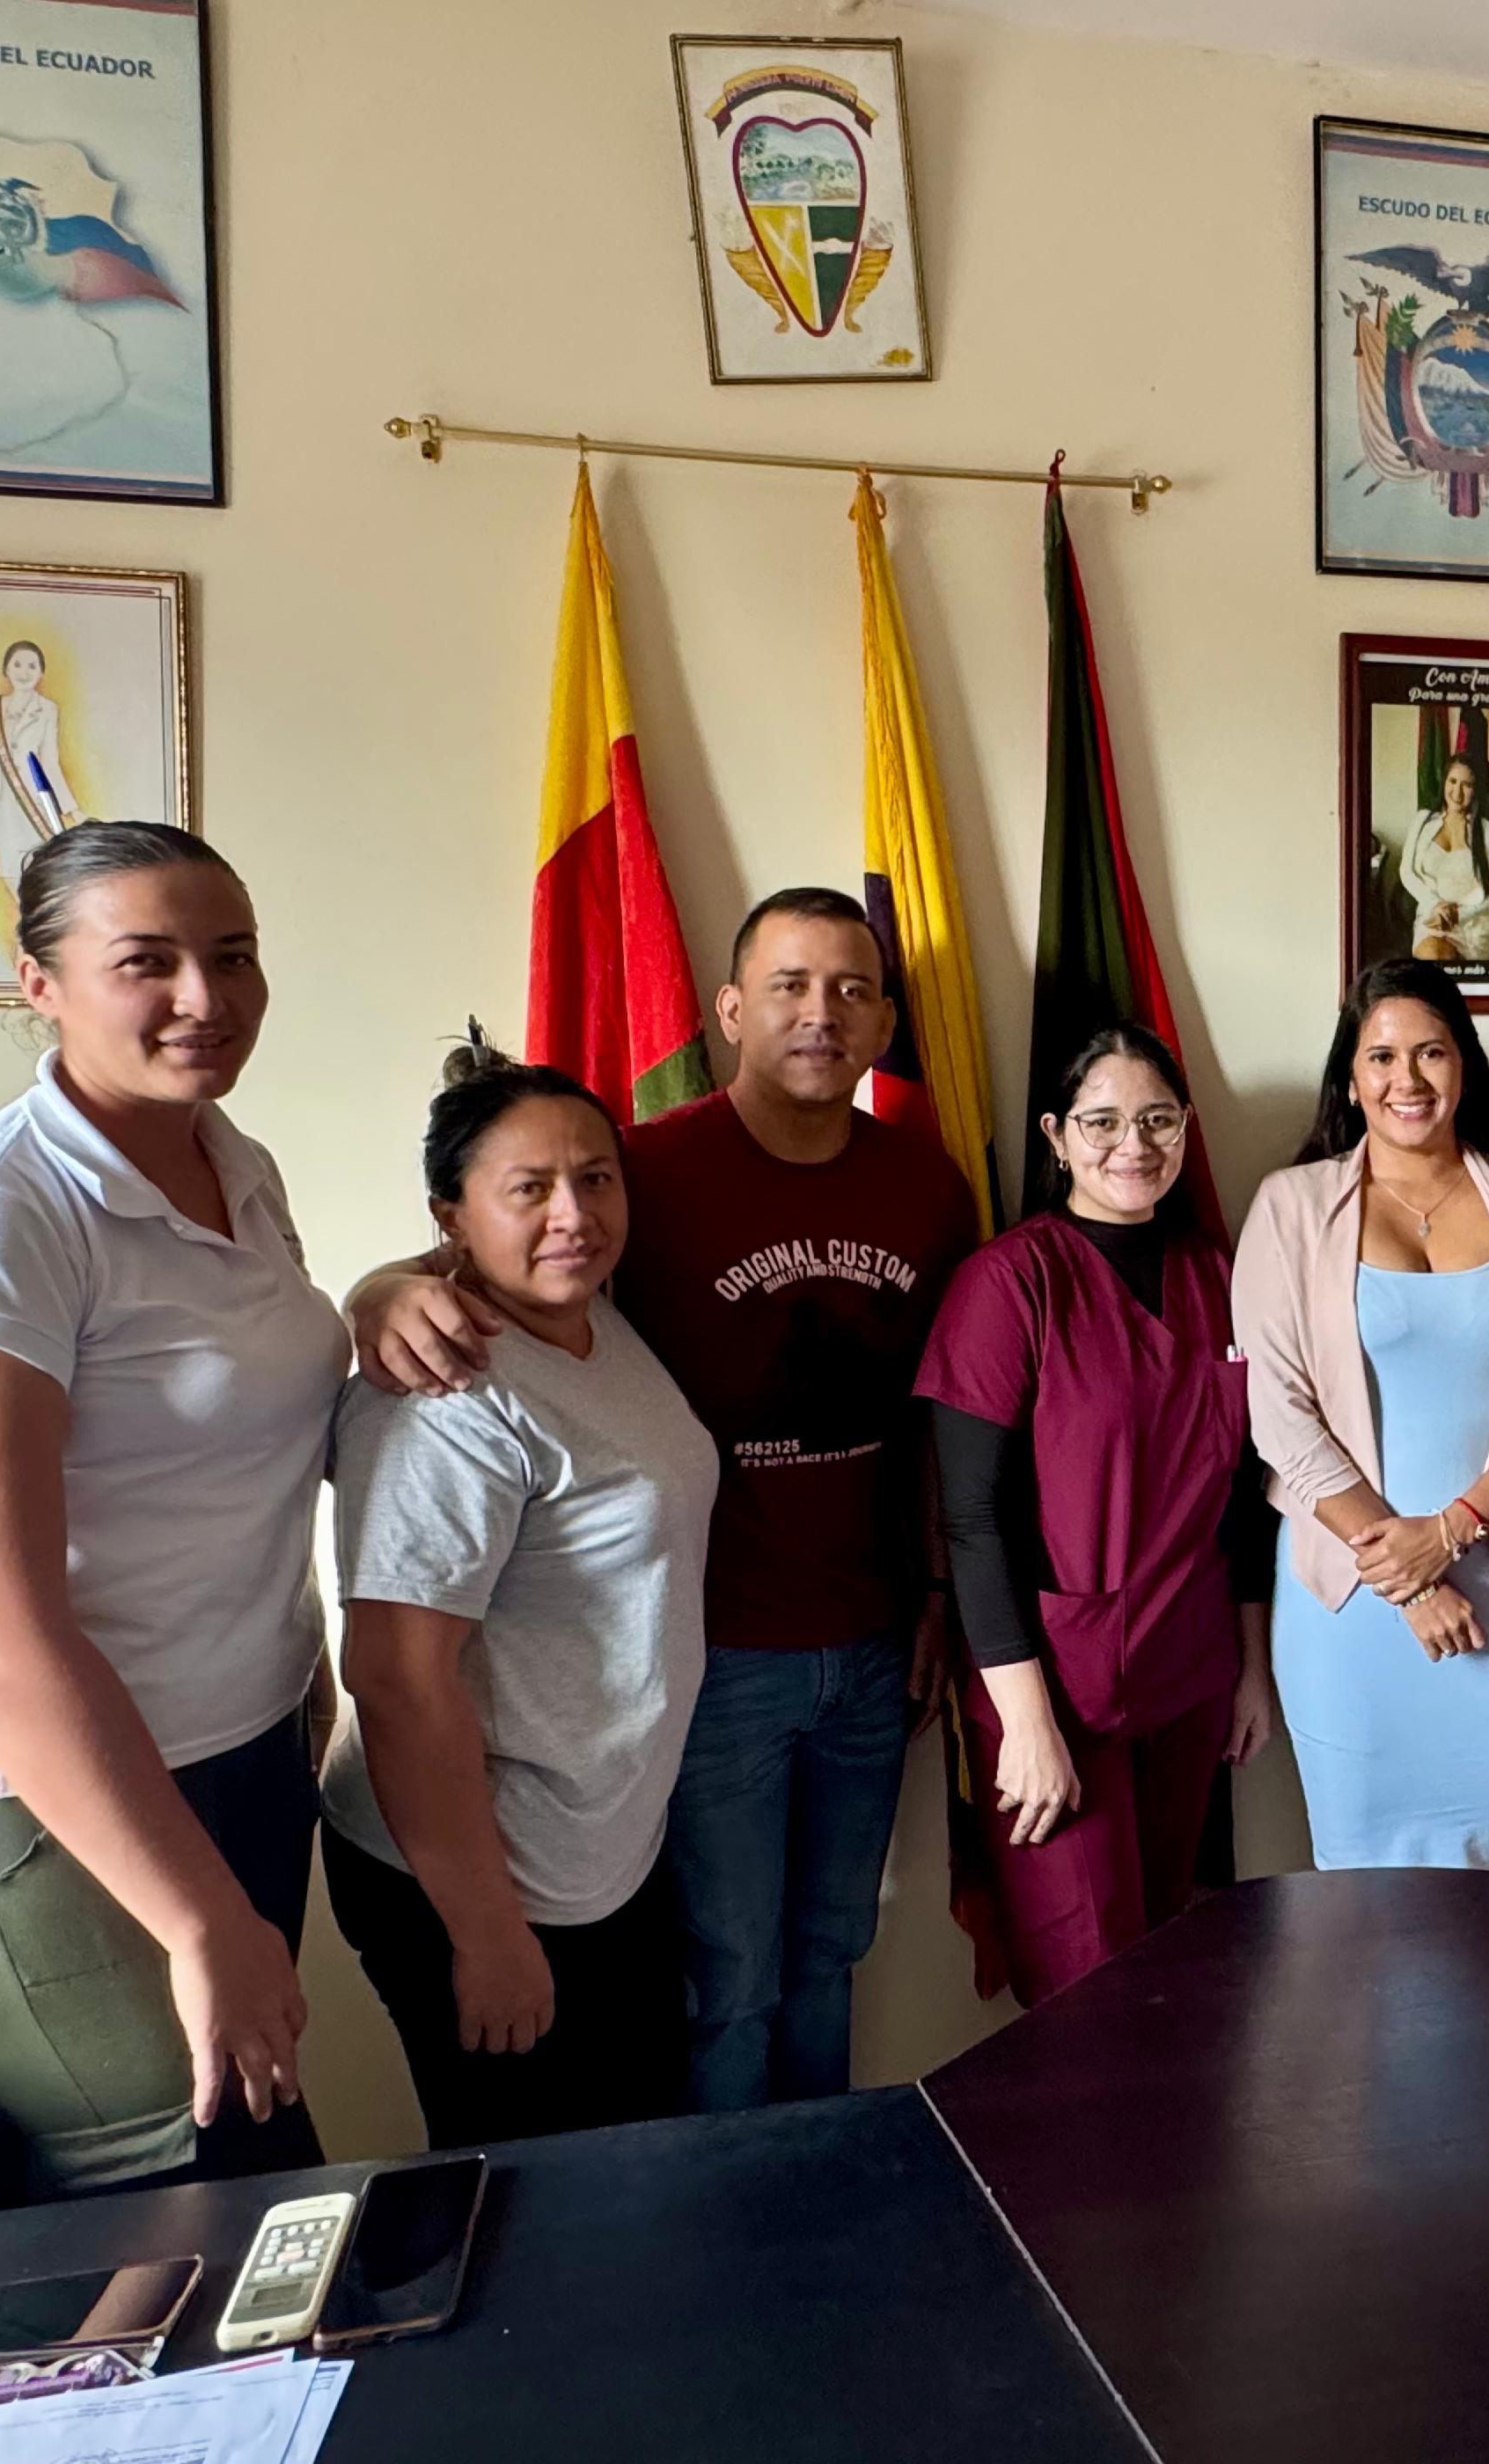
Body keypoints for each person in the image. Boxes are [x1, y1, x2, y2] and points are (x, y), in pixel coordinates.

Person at [357, 888, 974, 2112]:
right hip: (711, 1660)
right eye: (790, 985)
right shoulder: (643, 1168)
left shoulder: (927, 1183)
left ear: (884, 1023)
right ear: (730, 1010)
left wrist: (938, 1592)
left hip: (871, 1644)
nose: (821, 1013)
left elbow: (939, 1410)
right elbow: (503, 1248)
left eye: (852, 990)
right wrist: (376, 1289)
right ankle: (736, 2212)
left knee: (833, 1950)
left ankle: (821, 2190)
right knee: (727, 1978)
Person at [0, 821, 341, 2190]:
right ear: (40, 984)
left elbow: (242, 1425)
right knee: (189, 2188)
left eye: (233, 955)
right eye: (147, 962)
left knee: (256, 2171)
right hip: (29, 1798)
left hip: (236, 1752)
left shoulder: (233, 1164)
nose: (204, 997)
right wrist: (198, 1919)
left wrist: (395, 1296)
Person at [323, 1039, 715, 2145]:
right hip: (479, 1881)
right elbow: (397, 1684)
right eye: (529, 1189)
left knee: (632, 2167)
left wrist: (377, 1284)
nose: (573, 1216)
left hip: (593, 1853)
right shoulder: (442, 1397)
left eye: (595, 1178)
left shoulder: (585, 1312)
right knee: (532, 2199)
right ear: (451, 1216)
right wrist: (486, 1934)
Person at [918, 1025, 1280, 2004]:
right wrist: (1024, 1723)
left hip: (1192, 1671)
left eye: (1158, 1120)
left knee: (1170, 1962)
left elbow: (1246, 1495)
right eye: (1104, 1122)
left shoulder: (1221, 1277)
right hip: (1053, 1689)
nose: (1135, 1145)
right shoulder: (1009, 1283)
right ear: (1056, 1135)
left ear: (1187, 1127)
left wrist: (1253, 1668)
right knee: (1084, 1985)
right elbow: (971, 1519)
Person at [1232, 958, 1489, 1868]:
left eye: (1431, 1052)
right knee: (1358, 1886)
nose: (1408, 1079)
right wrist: (1410, 1578)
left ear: (1464, 1065)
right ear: (1350, 1079)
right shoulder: (1291, 1206)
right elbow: (1279, 1414)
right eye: (1382, 1057)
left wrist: (1451, 1532)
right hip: (1348, 1604)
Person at [0, 640, 82, 896]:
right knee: (7, 862)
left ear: (41, 672)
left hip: (33, 797)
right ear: (6, 669)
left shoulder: (48, 709)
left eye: (31, 666)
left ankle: (38, 912)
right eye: (17, 665)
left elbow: (49, 762)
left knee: (37, 858)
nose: (24, 672)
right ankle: (26, 913)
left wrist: (71, 809)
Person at [1403, 754, 1489, 963]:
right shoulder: (1423, 821)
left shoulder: (1487, 831)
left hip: (1474, 922)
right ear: (1444, 782)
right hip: (1434, 916)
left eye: (1466, 785)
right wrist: (1435, 905)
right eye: (1453, 781)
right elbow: (1406, 871)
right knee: (1433, 955)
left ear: (1475, 790)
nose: (1457, 793)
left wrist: (1460, 915)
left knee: (1446, 968)